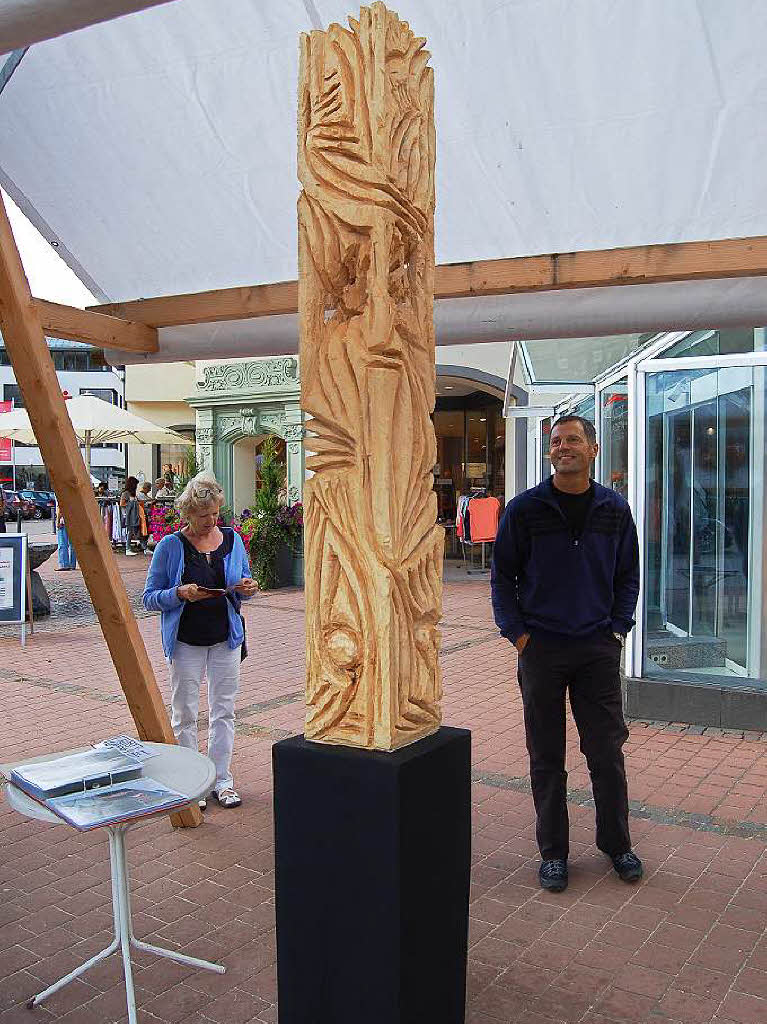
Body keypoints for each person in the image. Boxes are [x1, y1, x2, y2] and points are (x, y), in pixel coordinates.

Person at [491, 415, 642, 893]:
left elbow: (628, 575)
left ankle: (616, 844)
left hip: (597, 647)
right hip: (542, 649)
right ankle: (553, 852)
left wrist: (617, 630)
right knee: (546, 754)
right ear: (549, 452)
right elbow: (502, 579)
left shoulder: (614, 510)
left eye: (573, 439)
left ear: (593, 449)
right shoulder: (524, 510)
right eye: (556, 442)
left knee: (605, 751)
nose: (563, 447)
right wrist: (517, 634)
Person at [143, 470, 258, 809]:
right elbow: (149, 597)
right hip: (186, 641)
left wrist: (249, 588)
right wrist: (179, 593)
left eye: (215, 513)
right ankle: (191, 782)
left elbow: (244, 581)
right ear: (188, 513)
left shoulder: (232, 539)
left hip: (225, 638)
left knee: (224, 711)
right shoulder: (170, 546)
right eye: (204, 515)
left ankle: (221, 780)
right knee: (185, 714)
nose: (211, 520)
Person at [120, 476, 148, 556]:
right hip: (129, 516)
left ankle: (144, 547)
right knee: (131, 531)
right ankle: (128, 548)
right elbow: (122, 504)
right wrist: (133, 504)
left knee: (138, 530)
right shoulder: (125, 493)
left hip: (135, 515)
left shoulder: (133, 494)